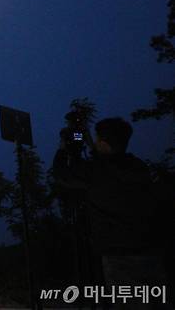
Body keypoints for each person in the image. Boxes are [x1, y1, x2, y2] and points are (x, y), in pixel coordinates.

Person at [53, 117, 169, 306]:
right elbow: (111, 166)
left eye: (99, 139)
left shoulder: (94, 171)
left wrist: (64, 148)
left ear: (104, 143)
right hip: (150, 251)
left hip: (118, 255)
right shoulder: (139, 167)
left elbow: (61, 174)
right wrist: (90, 143)